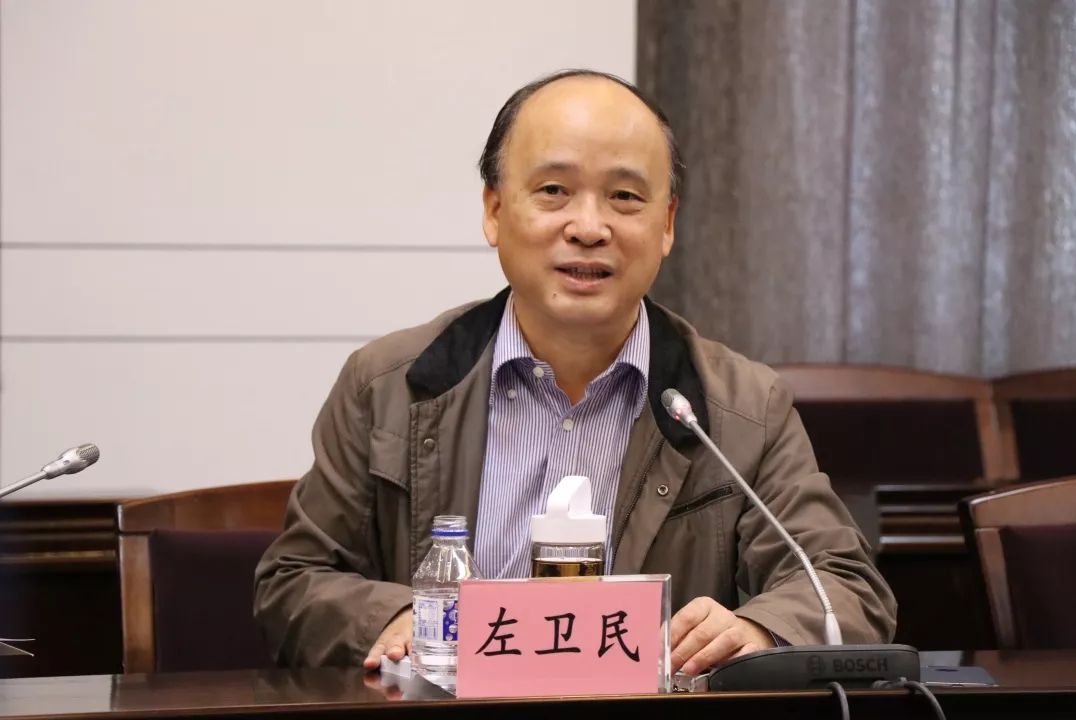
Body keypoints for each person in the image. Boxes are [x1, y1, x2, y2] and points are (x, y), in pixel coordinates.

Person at [253, 69, 896, 678]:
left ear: (667, 224)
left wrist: (761, 630)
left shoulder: (743, 409)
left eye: (625, 197)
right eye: (554, 191)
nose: (589, 228)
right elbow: (294, 580)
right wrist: (393, 619)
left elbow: (845, 587)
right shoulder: (387, 387)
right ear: (494, 209)